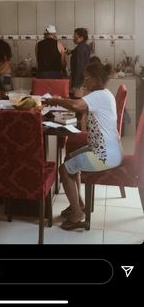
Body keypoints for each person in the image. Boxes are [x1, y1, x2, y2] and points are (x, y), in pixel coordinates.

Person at [48, 62, 123, 230]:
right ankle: (78, 204)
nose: (84, 82)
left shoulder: (99, 96)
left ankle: (77, 216)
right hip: (106, 149)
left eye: (86, 78)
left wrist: (56, 100)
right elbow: (80, 105)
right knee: (69, 159)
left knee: (64, 169)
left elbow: (76, 105)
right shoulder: (104, 94)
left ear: (96, 79)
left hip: (104, 155)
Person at [66, 28, 90, 97]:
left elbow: (80, 66)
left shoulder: (80, 49)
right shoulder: (84, 46)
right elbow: (74, 52)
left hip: (79, 81)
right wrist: (69, 51)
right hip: (83, 78)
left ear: (81, 38)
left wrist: (76, 84)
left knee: (77, 99)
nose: (73, 38)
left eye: (75, 36)